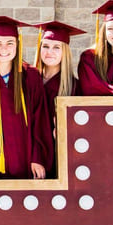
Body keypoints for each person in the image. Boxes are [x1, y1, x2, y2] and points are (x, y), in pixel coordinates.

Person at [0, 16, 52, 180]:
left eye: (10, 43)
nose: (4, 48)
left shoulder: (31, 77)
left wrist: (38, 157)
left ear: (18, 44)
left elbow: (41, 120)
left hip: (27, 163)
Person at [32, 21, 85, 177]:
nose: (50, 52)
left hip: (60, 158)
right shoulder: (29, 80)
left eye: (57, 47)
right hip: (29, 156)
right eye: (46, 46)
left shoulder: (74, 87)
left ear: (65, 52)